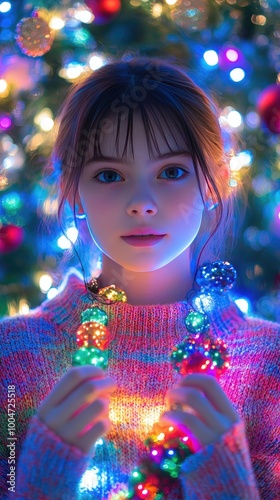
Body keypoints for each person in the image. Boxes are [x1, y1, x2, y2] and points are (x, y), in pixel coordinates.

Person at [0, 57, 279, 500]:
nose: (142, 203)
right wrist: (42, 478)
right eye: (109, 175)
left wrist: (226, 483)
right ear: (73, 190)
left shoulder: (270, 365)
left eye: (171, 172)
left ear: (215, 183)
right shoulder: (11, 359)